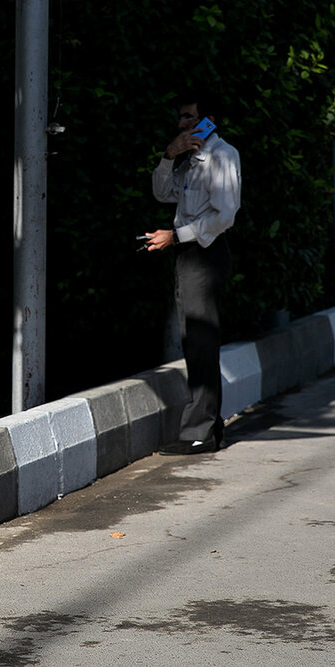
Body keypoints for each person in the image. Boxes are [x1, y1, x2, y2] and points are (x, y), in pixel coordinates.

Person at [145, 89, 241, 455]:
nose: (182, 124)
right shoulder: (189, 158)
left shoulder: (223, 155)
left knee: (201, 341)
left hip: (205, 252)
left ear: (208, 121)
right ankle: (209, 429)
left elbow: (224, 216)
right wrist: (170, 155)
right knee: (194, 340)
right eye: (181, 118)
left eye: (189, 118)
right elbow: (162, 193)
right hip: (187, 253)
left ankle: (199, 432)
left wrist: (176, 235)